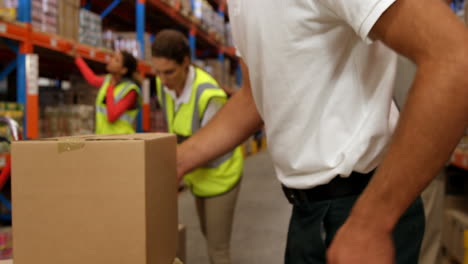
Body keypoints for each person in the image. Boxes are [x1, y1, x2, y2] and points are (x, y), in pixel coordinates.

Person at [175, 0, 468, 263]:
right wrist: (177, 160)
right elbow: (255, 98)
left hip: (361, 204)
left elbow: (454, 59)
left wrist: (373, 221)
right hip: (307, 211)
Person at [152, 29, 244, 264]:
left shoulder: (208, 95)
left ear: (185, 62)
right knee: (207, 233)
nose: (163, 80)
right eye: (158, 72)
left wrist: (173, 170)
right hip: (197, 177)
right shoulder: (164, 86)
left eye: (169, 72)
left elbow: (212, 148)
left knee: (217, 249)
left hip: (220, 178)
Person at [74, 51, 142, 134]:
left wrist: (110, 88)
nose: (111, 60)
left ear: (124, 70)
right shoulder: (107, 80)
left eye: (116, 60)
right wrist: (77, 58)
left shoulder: (130, 91)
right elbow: (91, 78)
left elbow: (112, 116)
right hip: (104, 138)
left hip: (121, 141)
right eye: (113, 57)